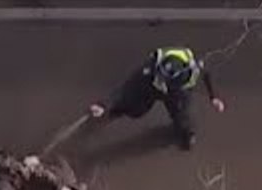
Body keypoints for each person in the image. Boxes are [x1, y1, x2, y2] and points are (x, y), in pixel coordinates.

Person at [89, 47, 226, 150]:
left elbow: (207, 75)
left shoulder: (194, 67)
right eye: (161, 75)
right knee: (136, 109)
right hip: (152, 88)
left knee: (182, 116)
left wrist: (213, 97)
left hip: (178, 94)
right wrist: (104, 104)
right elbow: (128, 86)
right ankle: (117, 110)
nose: (162, 80)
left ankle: (186, 135)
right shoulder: (152, 65)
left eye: (165, 79)